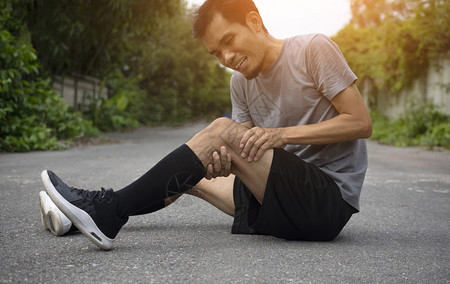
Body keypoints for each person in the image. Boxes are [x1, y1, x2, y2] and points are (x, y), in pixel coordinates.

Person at [39, 0, 372, 250]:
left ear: (254, 21)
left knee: (218, 131)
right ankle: (80, 217)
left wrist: (279, 135)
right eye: (216, 53)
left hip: (326, 203)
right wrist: (222, 159)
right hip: (281, 199)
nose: (226, 58)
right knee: (189, 173)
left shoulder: (312, 50)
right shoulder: (240, 84)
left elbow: (360, 122)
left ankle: (106, 212)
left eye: (228, 40)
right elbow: (243, 148)